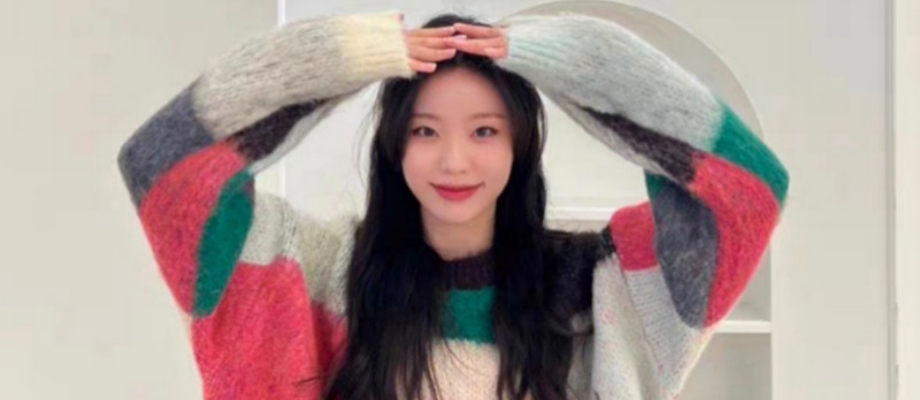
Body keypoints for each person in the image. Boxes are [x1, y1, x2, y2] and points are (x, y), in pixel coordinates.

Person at [117, 9, 789, 400]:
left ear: (520, 145)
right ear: (395, 147)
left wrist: (568, 60)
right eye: (425, 131)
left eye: (485, 131)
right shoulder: (324, 275)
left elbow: (747, 191)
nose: (455, 161)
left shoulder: (591, 286)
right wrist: (346, 56)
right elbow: (164, 168)